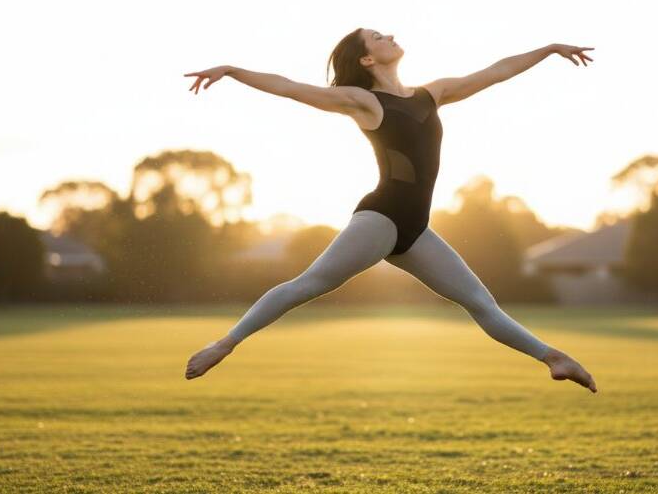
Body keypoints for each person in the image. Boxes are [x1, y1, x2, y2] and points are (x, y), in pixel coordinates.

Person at [182, 28, 597, 393]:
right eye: (377, 36)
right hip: (380, 217)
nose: (389, 35)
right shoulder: (363, 101)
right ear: (366, 59)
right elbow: (290, 87)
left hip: (415, 229)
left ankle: (553, 358)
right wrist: (233, 70)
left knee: (480, 303)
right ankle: (225, 343)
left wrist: (548, 49)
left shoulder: (431, 94)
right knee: (308, 285)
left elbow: (496, 71)